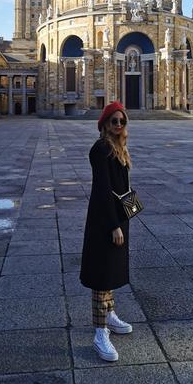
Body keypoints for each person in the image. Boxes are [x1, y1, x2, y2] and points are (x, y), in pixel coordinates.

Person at [80, 101, 133, 362]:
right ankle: (100, 332)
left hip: (118, 216)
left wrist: (129, 214)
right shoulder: (101, 149)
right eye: (114, 121)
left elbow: (122, 185)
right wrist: (113, 224)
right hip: (105, 219)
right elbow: (102, 189)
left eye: (122, 121)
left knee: (111, 269)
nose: (118, 125)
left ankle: (109, 314)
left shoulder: (119, 148)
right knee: (102, 275)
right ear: (104, 124)